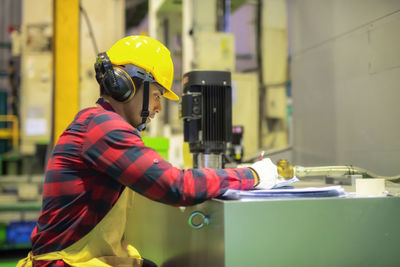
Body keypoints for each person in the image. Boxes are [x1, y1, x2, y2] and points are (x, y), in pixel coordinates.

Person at [18, 35, 278, 267]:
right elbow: (177, 186)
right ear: (126, 86)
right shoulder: (103, 127)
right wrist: (252, 175)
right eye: (156, 96)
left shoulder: (98, 123)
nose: (158, 108)